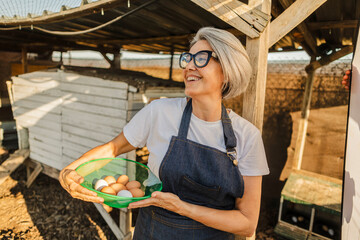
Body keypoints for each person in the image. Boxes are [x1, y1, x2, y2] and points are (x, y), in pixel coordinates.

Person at [59, 27, 269, 239]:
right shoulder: (160, 112)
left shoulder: (247, 137)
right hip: (151, 233)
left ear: (228, 70)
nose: (189, 66)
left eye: (201, 58)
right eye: (187, 58)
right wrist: (69, 171)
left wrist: (182, 207)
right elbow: (114, 148)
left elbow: (246, 223)